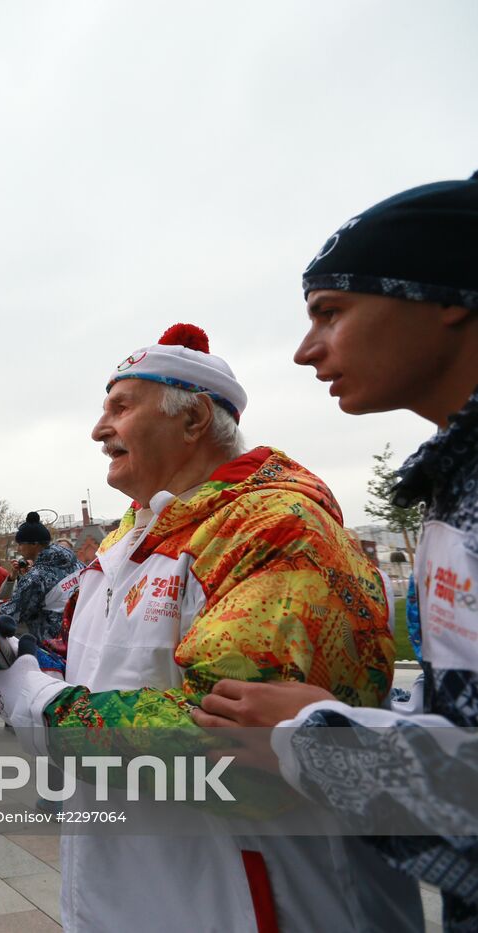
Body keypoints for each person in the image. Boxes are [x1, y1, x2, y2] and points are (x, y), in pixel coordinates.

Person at [0, 324, 420, 931]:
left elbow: (233, 752)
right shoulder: (127, 538)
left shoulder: (277, 530)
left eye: (120, 408)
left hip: (249, 902)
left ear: (194, 418)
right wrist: (9, 663)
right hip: (128, 893)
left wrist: (38, 706)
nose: (99, 430)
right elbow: (115, 678)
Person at [191, 173, 478, 930]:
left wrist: (317, 739)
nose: (303, 349)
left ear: (448, 297)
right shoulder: (455, 485)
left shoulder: (285, 522)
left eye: (332, 311)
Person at [0, 512, 83, 647]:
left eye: (20, 544)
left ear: (34, 544)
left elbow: (11, 612)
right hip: (84, 635)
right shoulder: (78, 564)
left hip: (56, 647)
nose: (18, 549)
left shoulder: (36, 577)